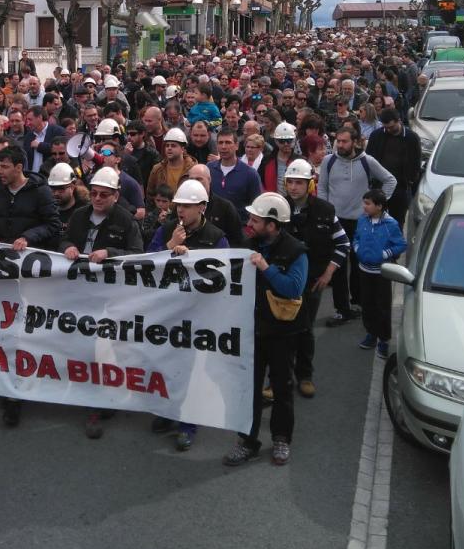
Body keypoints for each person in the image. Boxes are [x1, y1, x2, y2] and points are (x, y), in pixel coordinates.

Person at [222, 192, 307, 468]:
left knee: (282, 387)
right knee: (250, 389)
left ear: (272, 224)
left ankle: (282, 438)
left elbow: (293, 288)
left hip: (283, 333)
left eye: (255, 219)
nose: (249, 222)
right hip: (253, 331)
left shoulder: (296, 251)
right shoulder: (249, 244)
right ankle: (247, 441)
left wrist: (266, 268)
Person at [59, 167, 144, 439]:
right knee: (83, 345)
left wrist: (110, 253)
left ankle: (101, 403)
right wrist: (68, 247)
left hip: (112, 296)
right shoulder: (79, 215)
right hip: (79, 291)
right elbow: (64, 238)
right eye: (94, 193)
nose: (97, 199)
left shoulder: (126, 221)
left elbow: (137, 254)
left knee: (106, 350)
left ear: (116, 195)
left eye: (104, 195)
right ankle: (90, 395)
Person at [0, 145, 60, 426]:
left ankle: (17, 392)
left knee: (22, 332)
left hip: (29, 275)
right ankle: (5, 383)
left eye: (3, 167)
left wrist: (29, 236)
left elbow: (53, 225)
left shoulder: (40, 192)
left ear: (18, 167)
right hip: (0, 274)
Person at [146, 179, 228, 451]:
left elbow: (224, 273)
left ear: (202, 207)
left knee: (192, 370)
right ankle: (168, 412)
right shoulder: (168, 229)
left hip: (198, 313)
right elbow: (147, 263)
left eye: (188, 206)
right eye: (179, 205)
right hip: (169, 310)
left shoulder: (216, 236)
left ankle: (188, 424)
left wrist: (191, 257)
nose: (181, 210)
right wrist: (170, 245)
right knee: (167, 364)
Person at [281, 160, 349, 398]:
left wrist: (329, 272)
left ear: (309, 184)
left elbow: (343, 243)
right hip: (282, 281)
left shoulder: (325, 211)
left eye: (299, 182)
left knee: (304, 329)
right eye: (290, 182)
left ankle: (304, 375)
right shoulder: (277, 208)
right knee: (280, 331)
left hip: (312, 281)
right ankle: (279, 378)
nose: (294, 187)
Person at [317, 127, 397, 328]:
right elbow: (322, 188)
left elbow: (390, 180)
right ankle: (342, 309)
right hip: (336, 221)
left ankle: (359, 303)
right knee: (339, 268)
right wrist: (325, 214)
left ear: (355, 142)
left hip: (361, 222)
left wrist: (378, 205)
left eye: (344, 141)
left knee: (359, 264)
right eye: (338, 141)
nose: (340, 145)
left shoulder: (367, 161)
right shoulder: (329, 161)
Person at [353, 189, 407, 360]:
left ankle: (383, 339)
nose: (364, 207)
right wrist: (357, 248)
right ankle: (371, 334)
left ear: (379, 206)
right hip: (364, 270)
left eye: (368, 203)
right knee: (367, 305)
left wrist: (385, 254)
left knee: (382, 307)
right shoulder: (362, 220)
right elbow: (356, 237)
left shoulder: (391, 224)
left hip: (381, 273)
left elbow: (401, 245)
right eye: (364, 202)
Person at [365, 109, 421, 227]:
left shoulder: (412, 138)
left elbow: (416, 161)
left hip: (400, 187)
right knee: (375, 221)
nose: (389, 130)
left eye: (391, 127)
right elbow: (369, 158)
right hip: (379, 186)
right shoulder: (377, 136)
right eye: (386, 127)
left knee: (397, 221)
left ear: (399, 121)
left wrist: (410, 179)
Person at [207, 128, 262, 222]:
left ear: (236, 145)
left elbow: (256, 206)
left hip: (239, 229)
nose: (223, 147)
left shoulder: (250, 174)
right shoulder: (208, 169)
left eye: (228, 142)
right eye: (220, 143)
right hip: (213, 228)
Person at [145, 127, 190, 199]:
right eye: (167, 145)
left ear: (183, 149)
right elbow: (150, 195)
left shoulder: (192, 169)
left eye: (173, 146)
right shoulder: (157, 169)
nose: (169, 148)